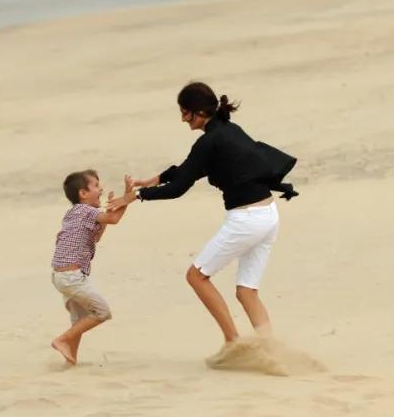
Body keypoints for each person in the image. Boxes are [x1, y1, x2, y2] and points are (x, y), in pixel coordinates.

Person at [109, 82, 297, 354]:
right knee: (247, 292)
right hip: (268, 215)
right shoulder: (227, 131)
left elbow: (178, 189)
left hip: (246, 219)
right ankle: (272, 350)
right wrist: (152, 180)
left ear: (197, 112)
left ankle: (233, 343)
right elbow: (190, 169)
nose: (182, 119)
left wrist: (135, 197)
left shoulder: (208, 141)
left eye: (184, 112)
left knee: (196, 276)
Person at [50, 170, 135, 365]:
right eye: (96, 186)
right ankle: (61, 340)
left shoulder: (74, 213)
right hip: (71, 276)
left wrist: (113, 209)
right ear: (83, 194)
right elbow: (113, 220)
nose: (101, 188)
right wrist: (128, 196)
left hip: (62, 276)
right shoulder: (85, 210)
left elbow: (97, 235)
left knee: (79, 321)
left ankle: (70, 361)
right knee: (101, 312)